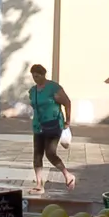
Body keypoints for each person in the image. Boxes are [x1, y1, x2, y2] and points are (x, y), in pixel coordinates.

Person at [26, 64, 75, 193]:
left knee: (50, 153)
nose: (35, 79)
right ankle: (39, 184)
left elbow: (67, 102)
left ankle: (67, 174)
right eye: (33, 76)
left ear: (43, 74)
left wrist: (68, 121)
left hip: (54, 125)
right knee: (37, 154)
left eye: (38, 76)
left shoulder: (54, 88)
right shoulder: (33, 91)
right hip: (38, 126)